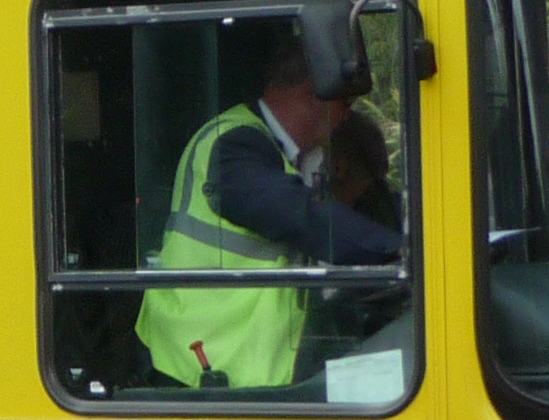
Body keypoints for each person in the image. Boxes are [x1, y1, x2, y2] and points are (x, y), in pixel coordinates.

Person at [137, 32, 402, 390]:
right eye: (347, 104)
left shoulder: (290, 155)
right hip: (200, 367)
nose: (346, 118)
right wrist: (404, 253)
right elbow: (302, 217)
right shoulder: (233, 146)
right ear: (314, 93)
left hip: (247, 364)